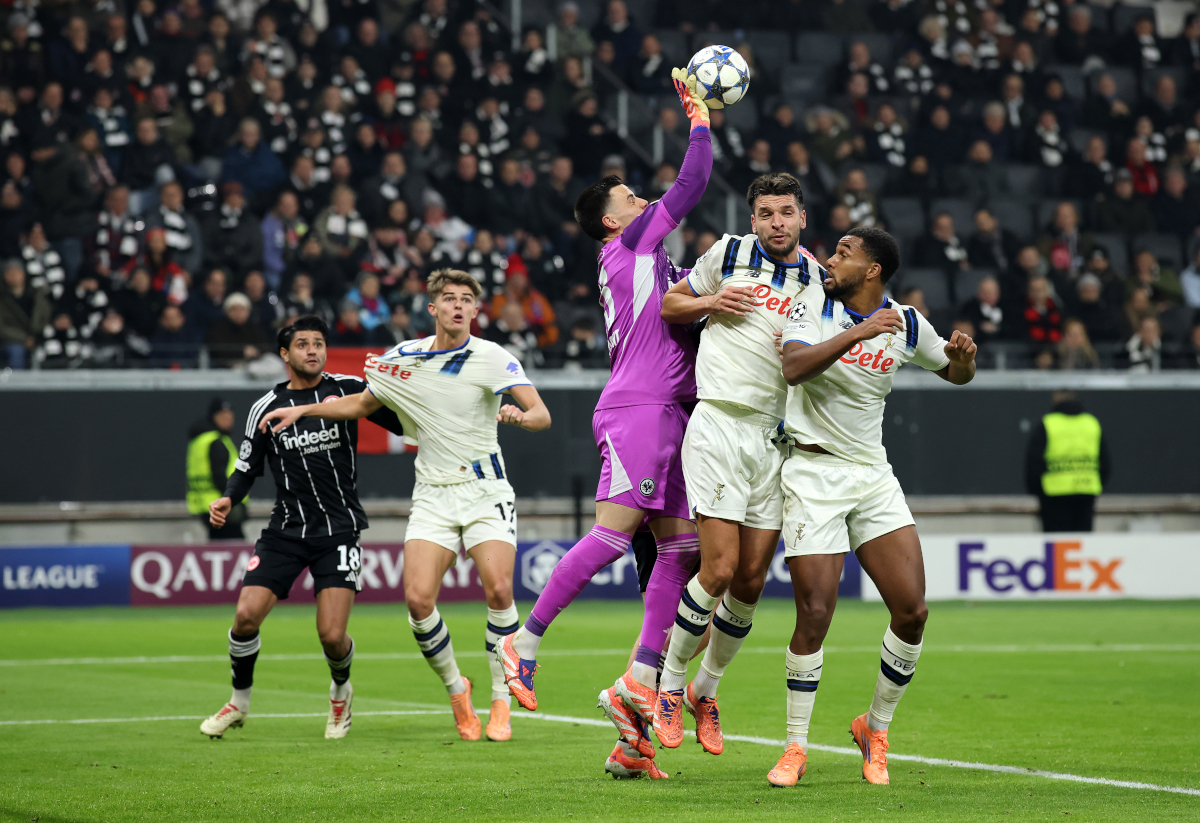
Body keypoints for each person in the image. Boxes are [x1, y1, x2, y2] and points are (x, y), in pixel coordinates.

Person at [495, 70, 710, 781]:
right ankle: (523, 643)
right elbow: (691, 184)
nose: (645, 200)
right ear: (615, 220)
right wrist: (699, 120)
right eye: (631, 199)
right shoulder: (633, 247)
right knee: (615, 534)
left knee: (681, 553)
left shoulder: (649, 256)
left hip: (672, 412)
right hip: (639, 406)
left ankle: (641, 684)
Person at [259, 270, 550, 745]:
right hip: (433, 494)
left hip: (485, 490)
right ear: (431, 309)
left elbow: (541, 413)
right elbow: (360, 406)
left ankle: (501, 699)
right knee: (417, 602)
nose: (458, 305)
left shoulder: (492, 357)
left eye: (467, 300)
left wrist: (521, 416)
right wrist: (302, 409)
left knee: (498, 589)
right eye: (449, 298)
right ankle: (458, 690)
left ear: (476, 311)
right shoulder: (402, 358)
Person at [769, 227, 977, 788]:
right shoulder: (810, 301)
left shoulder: (906, 321)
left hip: (871, 476)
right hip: (812, 472)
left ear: (873, 271)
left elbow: (956, 374)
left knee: (912, 611)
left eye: (844, 253)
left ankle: (875, 728)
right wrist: (862, 331)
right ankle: (795, 747)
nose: (830, 259)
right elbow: (793, 368)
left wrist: (962, 360)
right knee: (815, 614)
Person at [647, 172, 825, 757]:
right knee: (719, 569)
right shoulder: (728, 253)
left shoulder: (820, 283)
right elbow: (670, 305)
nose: (777, 221)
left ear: (802, 218)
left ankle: (706, 690)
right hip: (720, 422)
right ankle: (669, 687)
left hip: (774, 439)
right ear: (753, 220)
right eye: (767, 212)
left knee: (750, 581)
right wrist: (709, 301)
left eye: (787, 212)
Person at [199, 315, 405, 741]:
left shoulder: (348, 389)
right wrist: (227, 497)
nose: (313, 350)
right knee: (245, 618)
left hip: (339, 529)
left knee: (331, 636)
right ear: (285, 354)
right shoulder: (263, 408)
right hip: (285, 531)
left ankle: (341, 691)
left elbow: (401, 424)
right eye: (303, 344)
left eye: (319, 343)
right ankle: (239, 702)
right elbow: (245, 468)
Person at [1024, 390, 1109, 532]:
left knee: (1056, 545)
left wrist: (1036, 490)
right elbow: (1105, 463)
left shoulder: (1048, 424)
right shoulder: (1091, 424)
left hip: (1054, 494)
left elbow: (1034, 463)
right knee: (1082, 545)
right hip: (1085, 491)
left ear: (1055, 402)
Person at [187, 397, 244, 540]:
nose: (228, 420)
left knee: (217, 544)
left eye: (230, 416)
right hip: (222, 509)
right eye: (223, 416)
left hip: (206, 506)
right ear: (213, 417)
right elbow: (219, 475)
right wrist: (232, 500)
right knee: (235, 547)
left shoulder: (199, 440)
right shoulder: (216, 441)